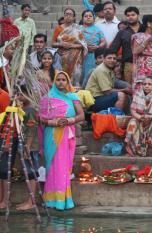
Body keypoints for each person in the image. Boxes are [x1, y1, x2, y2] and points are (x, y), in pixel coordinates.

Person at [40, 71, 84, 210]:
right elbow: (40, 118)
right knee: (52, 165)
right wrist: (53, 123)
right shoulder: (47, 97)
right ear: (54, 81)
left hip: (66, 133)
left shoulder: (72, 96)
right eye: (58, 79)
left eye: (63, 80)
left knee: (63, 166)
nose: (60, 82)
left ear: (68, 82)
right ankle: (51, 200)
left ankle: (63, 200)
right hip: (51, 135)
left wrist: (68, 120)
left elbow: (81, 115)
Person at [125, 76, 152, 157]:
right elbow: (133, 110)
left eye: (149, 84)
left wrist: (150, 117)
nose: (146, 86)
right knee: (132, 122)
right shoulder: (137, 94)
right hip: (142, 118)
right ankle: (132, 150)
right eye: (144, 84)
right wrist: (139, 117)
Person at [15, 89, 41, 211]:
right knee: (28, 173)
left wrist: (27, 147)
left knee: (31, 173)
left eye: (21, 94)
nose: (19, 96)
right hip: (25, 145)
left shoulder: (30, 110)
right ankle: (29, 200)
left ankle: (31, 202)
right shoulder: (24, 109)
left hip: (30, 146)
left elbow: (31, 130)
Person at [52, 8, 87, 86]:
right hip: (62, 57)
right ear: (64, 16)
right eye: (66, 14)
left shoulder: (78, 29)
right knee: (63, 76)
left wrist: (71, 45)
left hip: (75, 57)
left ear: (74, 17)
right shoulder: (58, 28)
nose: (68, 16)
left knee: (76, 74)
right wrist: (61, 44)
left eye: (70, 14)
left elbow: (83, 44)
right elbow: (53, 43)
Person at [132, 14, 152, 90]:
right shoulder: (137, 36)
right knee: (141, 92)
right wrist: (148, 41)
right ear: (148, 24)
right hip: (142, 69)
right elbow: (136, 51)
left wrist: (148, 53)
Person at [111, 6, 141, 84]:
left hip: (144, 63)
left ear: (138, 15)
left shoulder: (145, 29)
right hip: (129, 64)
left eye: (133, 15)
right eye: (128, 15)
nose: (130, 17)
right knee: (130, 89)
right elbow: (113, 49)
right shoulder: (122, 32)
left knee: (145, 88)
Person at [81, 10, 106, 86]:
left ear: (94, 18)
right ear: (82, 18)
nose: (88, 18)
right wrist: (84, 47)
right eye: (86, 16)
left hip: (93, 56)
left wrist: (98, 47)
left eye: (90, 16)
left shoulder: (98, 30)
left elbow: (103, 42)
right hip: (80, 55)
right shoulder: (78, 29)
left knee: (90, 75)